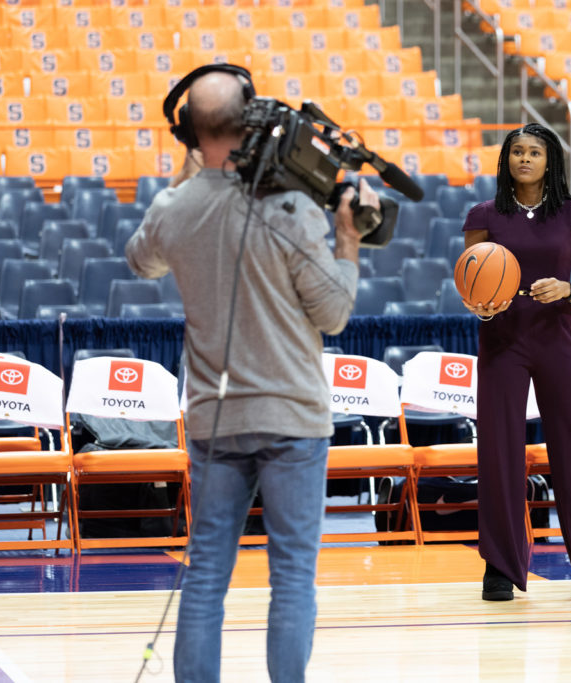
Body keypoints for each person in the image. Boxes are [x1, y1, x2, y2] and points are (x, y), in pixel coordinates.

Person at [125, 69, 363, 682]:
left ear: (187, 132)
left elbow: (140, 259)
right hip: (292, 417)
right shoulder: (290, 207)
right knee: (291, 579)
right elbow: (333, 314)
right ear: (254, 120)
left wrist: (188, 179)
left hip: (215, 420)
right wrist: (347, 239)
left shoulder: (172, 209)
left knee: (204, 576)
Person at [461, 122, 571, 601]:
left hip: (557, 338)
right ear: (506, 160)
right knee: (498, 451)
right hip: (502, 341)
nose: (524, 159)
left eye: (534, 152)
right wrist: (478, 304)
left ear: (550, 161)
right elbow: (471, 284)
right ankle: (499, 566)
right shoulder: (483, 215)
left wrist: (569, 290)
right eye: (517, 151)